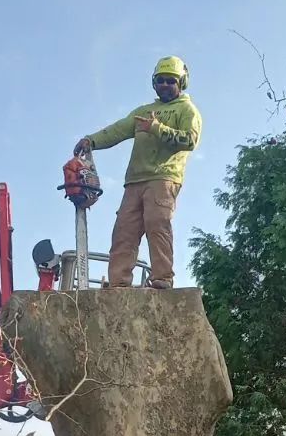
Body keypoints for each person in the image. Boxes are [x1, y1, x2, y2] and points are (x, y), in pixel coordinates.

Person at [74, 55, 201, 288]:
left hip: (164, 177)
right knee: (124, 231)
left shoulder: (187, 110)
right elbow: (117, 130)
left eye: (170, 80)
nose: (165, 84)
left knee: (157, 222)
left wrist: (156, 128)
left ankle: (162, 278)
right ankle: (118, 284)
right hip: (134, 180)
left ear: (181, 83)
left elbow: (189, 140)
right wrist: (91, 140)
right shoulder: (144, 111)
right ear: (154, 82)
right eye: (160, 80)